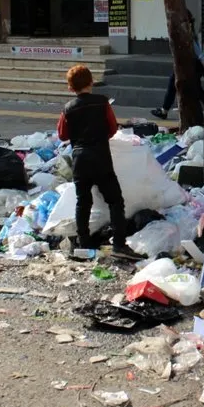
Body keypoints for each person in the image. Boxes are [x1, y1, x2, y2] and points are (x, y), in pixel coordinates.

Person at [57, 65, 144, 261]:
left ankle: (83, 244)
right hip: (100, 157)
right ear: (91, 82)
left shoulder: (68, 109)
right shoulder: (102, 103)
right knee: (115, 201)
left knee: (83, 202)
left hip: (79, 160)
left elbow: (62, 134)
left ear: (70, 87)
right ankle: (119, 245)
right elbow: (112, 129)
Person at [151, 11, 204, 120]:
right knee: (195, 87)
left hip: (188, 64)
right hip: (188, 64)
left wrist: (202, 57)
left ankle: (164, 111)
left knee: (174, 85)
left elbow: (194, 45)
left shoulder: (185, 29)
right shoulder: (186, 28)